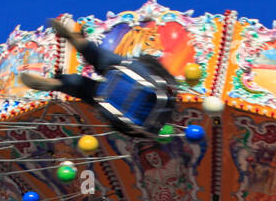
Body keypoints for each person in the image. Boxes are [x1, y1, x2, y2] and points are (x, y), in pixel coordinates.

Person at [20, 17, 175, 134]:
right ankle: (59, 83)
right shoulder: (150, 127)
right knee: (85, 90)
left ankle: (82, 44)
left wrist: (144, 62)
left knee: (100, 58)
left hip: (133, 76)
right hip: (116, 103)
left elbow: (158, 71)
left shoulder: (169, 98)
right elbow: (123, 129)